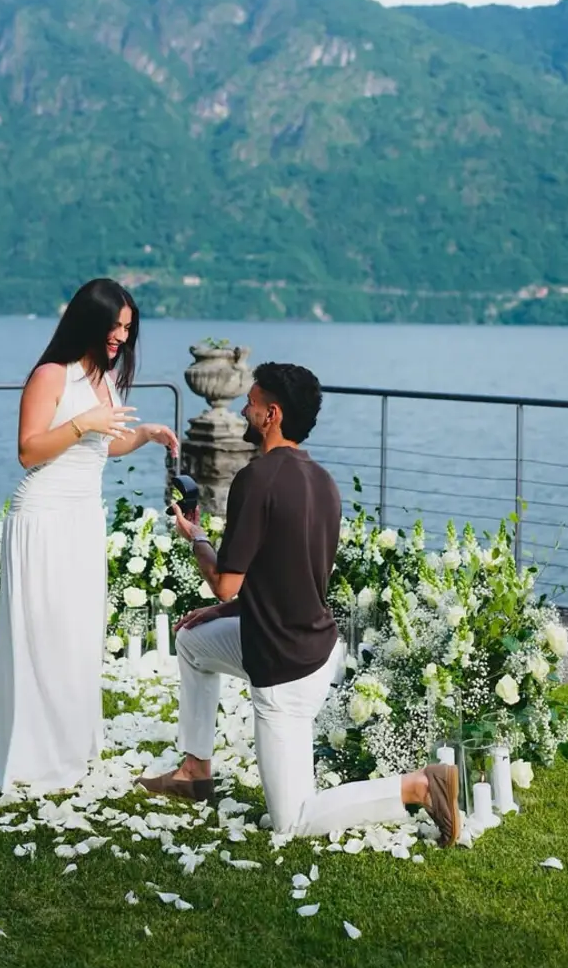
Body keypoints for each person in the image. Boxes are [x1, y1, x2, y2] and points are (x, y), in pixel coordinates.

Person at [141, 361, 460, 846]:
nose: (244, 410)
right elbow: (286, 580)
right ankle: (194, 771)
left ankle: (419, 786)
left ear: (271, 415)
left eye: (251, 403)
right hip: (313, 644)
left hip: (284, 667)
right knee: (192, 641)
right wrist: (222, 613)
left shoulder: (256, 480)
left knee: (291, 822)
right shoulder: (323, 482)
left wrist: (196, 537)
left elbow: (225, 584)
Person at [0, 277, 179, 791]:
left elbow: (101, 446)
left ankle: (69, 744)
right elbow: (28, 450)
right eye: (115, 325)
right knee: (44, 634)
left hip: (83, 517)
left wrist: (144, 434)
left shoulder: (104, 378)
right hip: (44, 515)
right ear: (89, 321)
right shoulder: (52, 374)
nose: (121, 336)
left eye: (128, 328)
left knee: (76, 635)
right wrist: (84, 422)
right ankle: (34, 756)